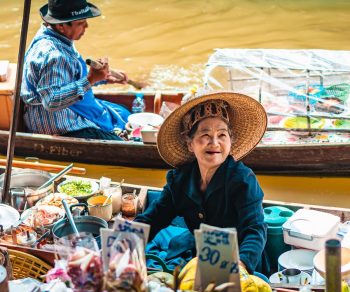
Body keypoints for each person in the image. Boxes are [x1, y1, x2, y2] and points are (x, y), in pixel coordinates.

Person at [135, 91, 268, 274]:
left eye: (222, 135)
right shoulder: (179, 180)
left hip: (241, 263)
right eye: (205, 134)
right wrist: (125, 240)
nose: (214, 142)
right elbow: (153, 217)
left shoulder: (243, 180)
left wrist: (241, 265)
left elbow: (255, 230)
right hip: (202, 259)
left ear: (230, 141)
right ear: (190, 144)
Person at [21, 0, 130, 140]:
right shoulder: (54, 55)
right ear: (61, 25)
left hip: (67, 108)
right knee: (120, 143)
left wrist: (102, 78)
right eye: (81, 23)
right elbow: (51, 101)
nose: (87, 26)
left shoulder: (54, 36)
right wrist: (90, 80)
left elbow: (67, 77)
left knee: (123, 113)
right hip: (55, 121)